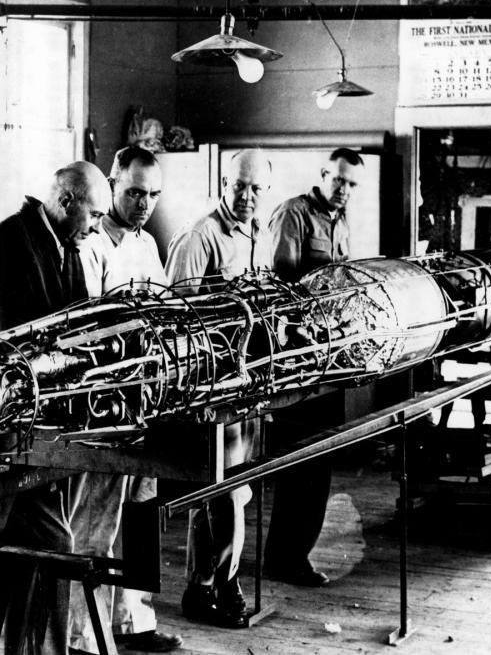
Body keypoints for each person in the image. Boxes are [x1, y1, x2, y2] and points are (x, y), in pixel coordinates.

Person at [0, 160, 110, 655]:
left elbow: (78, 325)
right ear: (66, 202)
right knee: (42, 544)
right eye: (95, 215)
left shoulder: (67, 246)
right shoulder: (8, 242)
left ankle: (28, 648)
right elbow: (24, 344)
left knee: (39, 546)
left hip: (43, 423)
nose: (98, 226)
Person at [69, 146, 182, 654]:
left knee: (139, 512)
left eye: (153, 194)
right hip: (106, 404)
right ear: (113, 184)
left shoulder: (147, 244)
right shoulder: (92, 244)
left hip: (147, 397)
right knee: (97, 518)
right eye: (135, 192)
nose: (143, 204)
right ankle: (83, 635)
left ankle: (133, 621)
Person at [164, 148, 273, 629]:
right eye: (239, 187)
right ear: (223, 184)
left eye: (256, 189)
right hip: (212, 387)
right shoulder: (199, 237)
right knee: (220, 492)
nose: (247, 197)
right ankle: (223, 585)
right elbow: (176, 320)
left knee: (232, 489)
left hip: (248, 383)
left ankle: (202, 584)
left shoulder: (257, 234)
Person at [263, 147, 366, 588]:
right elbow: (279, 286)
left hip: (330, 357)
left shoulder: (340, 221)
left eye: (351, 184)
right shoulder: (294, 214)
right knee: (297, 464)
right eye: (338, 180)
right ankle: (283, 559)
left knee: (320, 461)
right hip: (297, 361)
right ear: (323, 174)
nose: (344, 190)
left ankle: (296, 555)